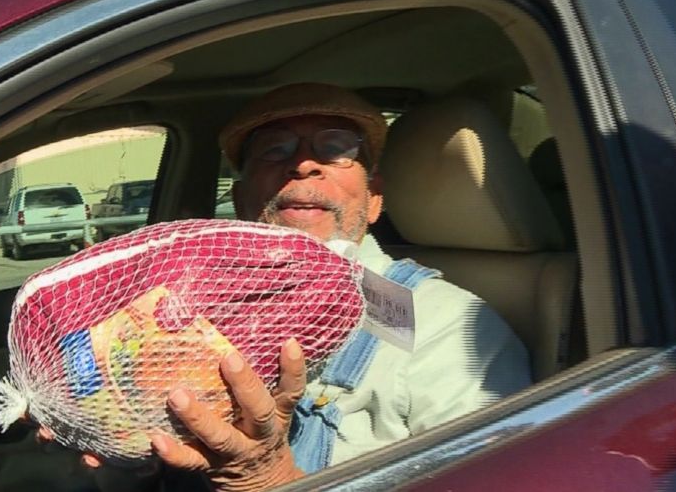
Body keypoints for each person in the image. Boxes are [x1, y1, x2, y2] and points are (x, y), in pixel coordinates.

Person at [48, 83, 531, 490]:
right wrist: (114, 443)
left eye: (337, 149)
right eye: (274, 149)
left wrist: (271, 478)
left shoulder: (446, 325)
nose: (303, 164)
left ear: (376, 199)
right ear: (240, 200)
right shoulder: (179, 309)